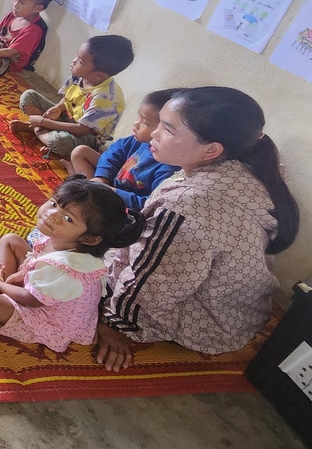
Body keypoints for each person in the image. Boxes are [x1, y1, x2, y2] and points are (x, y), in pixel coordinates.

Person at [96, 87, 301, 370]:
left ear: (211, 150)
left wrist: (112, 321)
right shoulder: (241, 165)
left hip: (205, 320)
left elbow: (154, 284)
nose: (153, 133)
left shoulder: (186, 205)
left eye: (167, 129)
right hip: (240, 310)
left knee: (76, 259)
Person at [0, 177, 145, 353]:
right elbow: (35, 259)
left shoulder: (65, 268)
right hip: (44, 288)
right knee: (10, 240)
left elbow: (32, 301)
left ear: (89, 239)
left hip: (46, 318)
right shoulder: (61, 238)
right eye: (54, 204)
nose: (52, 215)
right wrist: (22, 273)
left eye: (68, 218)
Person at [13, 34, 134, 158]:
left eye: (80, 61)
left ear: (99, 75)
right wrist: (59, 108)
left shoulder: (105, 98)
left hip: (86, 136)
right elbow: (67, 98)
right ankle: (43, 133)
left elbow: (82, 129)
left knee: (61, 142)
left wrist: (44, 122)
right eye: (77, 56)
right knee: (28, 96)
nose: (74, 61)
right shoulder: (79, 75)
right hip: (67, 119)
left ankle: (40, 131)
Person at [70, 89, 180, 206]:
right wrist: (101, 177)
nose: (136, 124)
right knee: (80, 152)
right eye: (139, 116)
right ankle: (90, 190)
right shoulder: (138, 140)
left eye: (146, 123)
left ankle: (88, 192)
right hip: (112, 181)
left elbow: (148, 204)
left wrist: (112, 193)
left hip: (121, 203)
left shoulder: (168, 169)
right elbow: (113, 152)